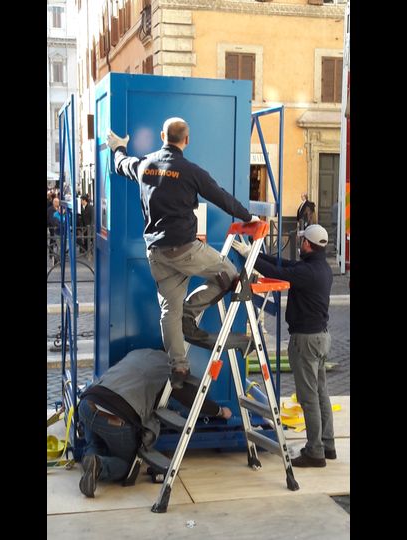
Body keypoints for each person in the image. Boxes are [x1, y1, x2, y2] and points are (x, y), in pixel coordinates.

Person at [106, 117, 257, 389]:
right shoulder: (191, 171)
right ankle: (190, 312)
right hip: (186, 249)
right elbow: (220, 196)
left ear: (163, 135)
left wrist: (117, 146)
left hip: (157, 253)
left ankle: (178, 367)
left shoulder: (145, 165)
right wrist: (248, 217)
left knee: (168, 311)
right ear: (186, 140)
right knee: (230, 274)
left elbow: (120, 165)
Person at [232, 224, 334, 468]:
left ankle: (315, 452)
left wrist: (249, 257)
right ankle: (327, 445)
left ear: (308, 244)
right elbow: (285, 266)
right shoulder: (322, 268)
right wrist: (253, 251)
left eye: (302, 241)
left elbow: (277, 272)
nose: (300, 244)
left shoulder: (307, 273)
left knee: (308, 399)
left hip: (306, 341)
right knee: (321, 394)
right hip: (321, 338)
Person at [77, 348, 232, 497]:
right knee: (128, 466)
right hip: (115, 418)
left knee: (95, 443)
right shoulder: (169, 369)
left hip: (87, 404)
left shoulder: (138, 353)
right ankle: (100, 466)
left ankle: (91, 459)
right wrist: (219, 411)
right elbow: (189, 397)